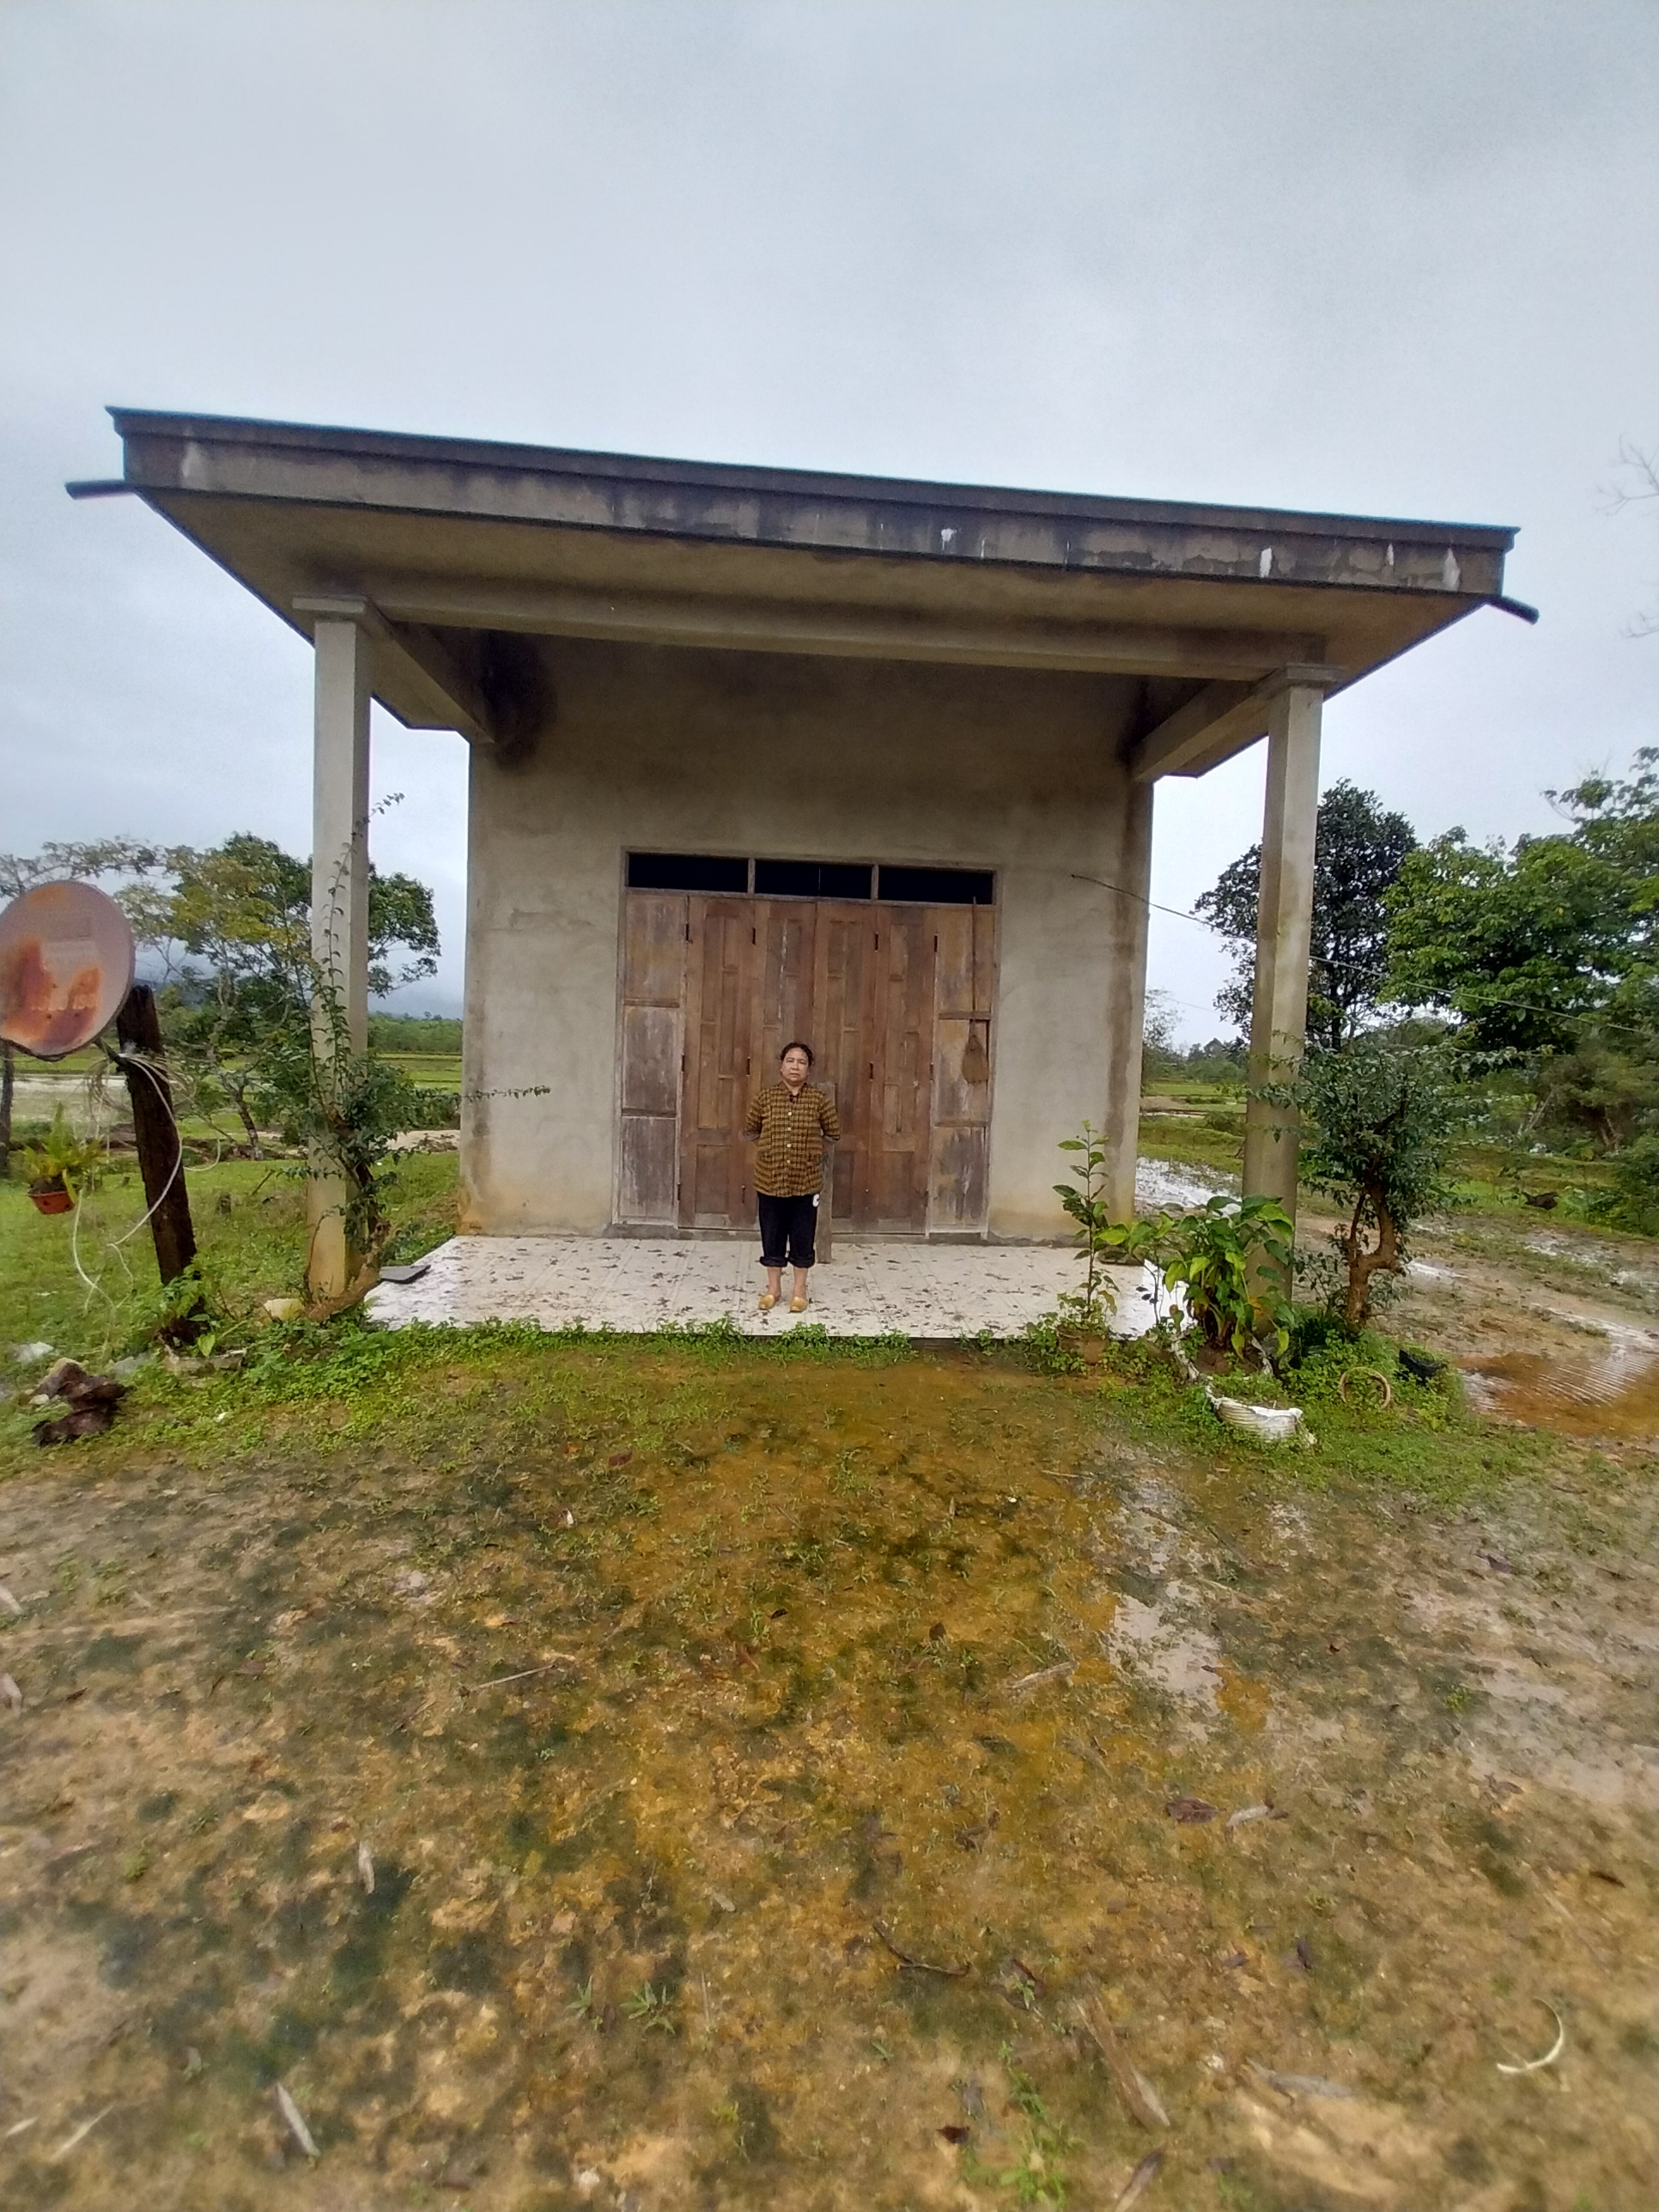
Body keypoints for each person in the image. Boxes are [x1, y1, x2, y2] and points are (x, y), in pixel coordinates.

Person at [743, 1041, 841, 1314]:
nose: (795, 1066)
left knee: (802, 1237)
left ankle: (799, 1290)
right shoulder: (765, 1098)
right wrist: (769, 1150)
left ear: (808, 1069)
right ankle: (773, 1289)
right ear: (781, 1066)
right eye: (790, 1060)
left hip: (805, 1183)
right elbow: (751, 1130)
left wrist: (811, 1152)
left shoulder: (819, 1101)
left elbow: (833, 1134)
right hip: (769, 1180)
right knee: (772, 1235)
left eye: (801, 1062)